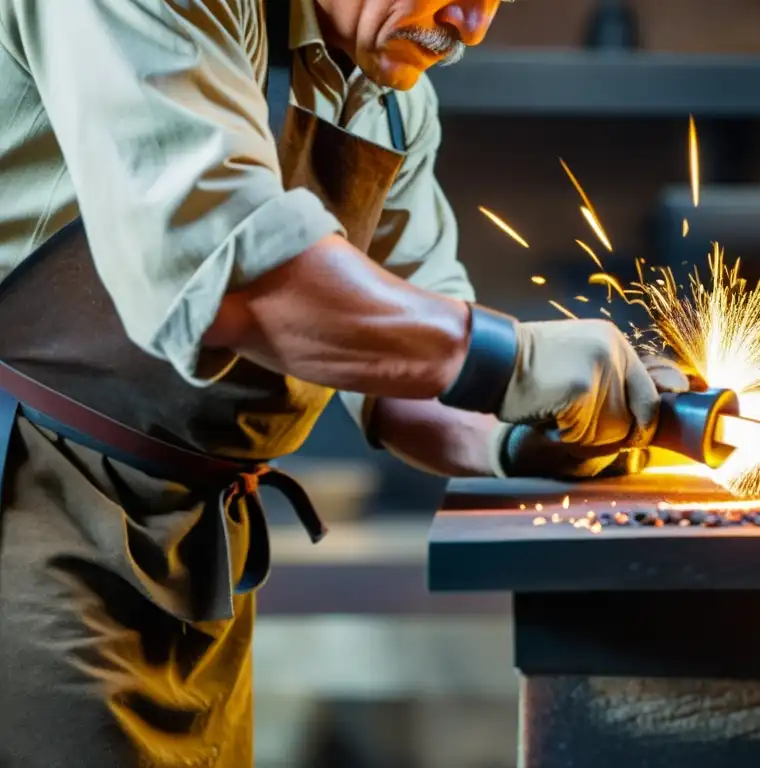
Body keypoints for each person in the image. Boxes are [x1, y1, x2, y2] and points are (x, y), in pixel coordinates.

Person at [0, 1, 689, 765]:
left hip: (191, 566)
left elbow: (406, 372)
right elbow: (235, 279)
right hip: (29, 517)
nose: (470, 23)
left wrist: (528, 433)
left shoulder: (385, 91)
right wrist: (515, 360)